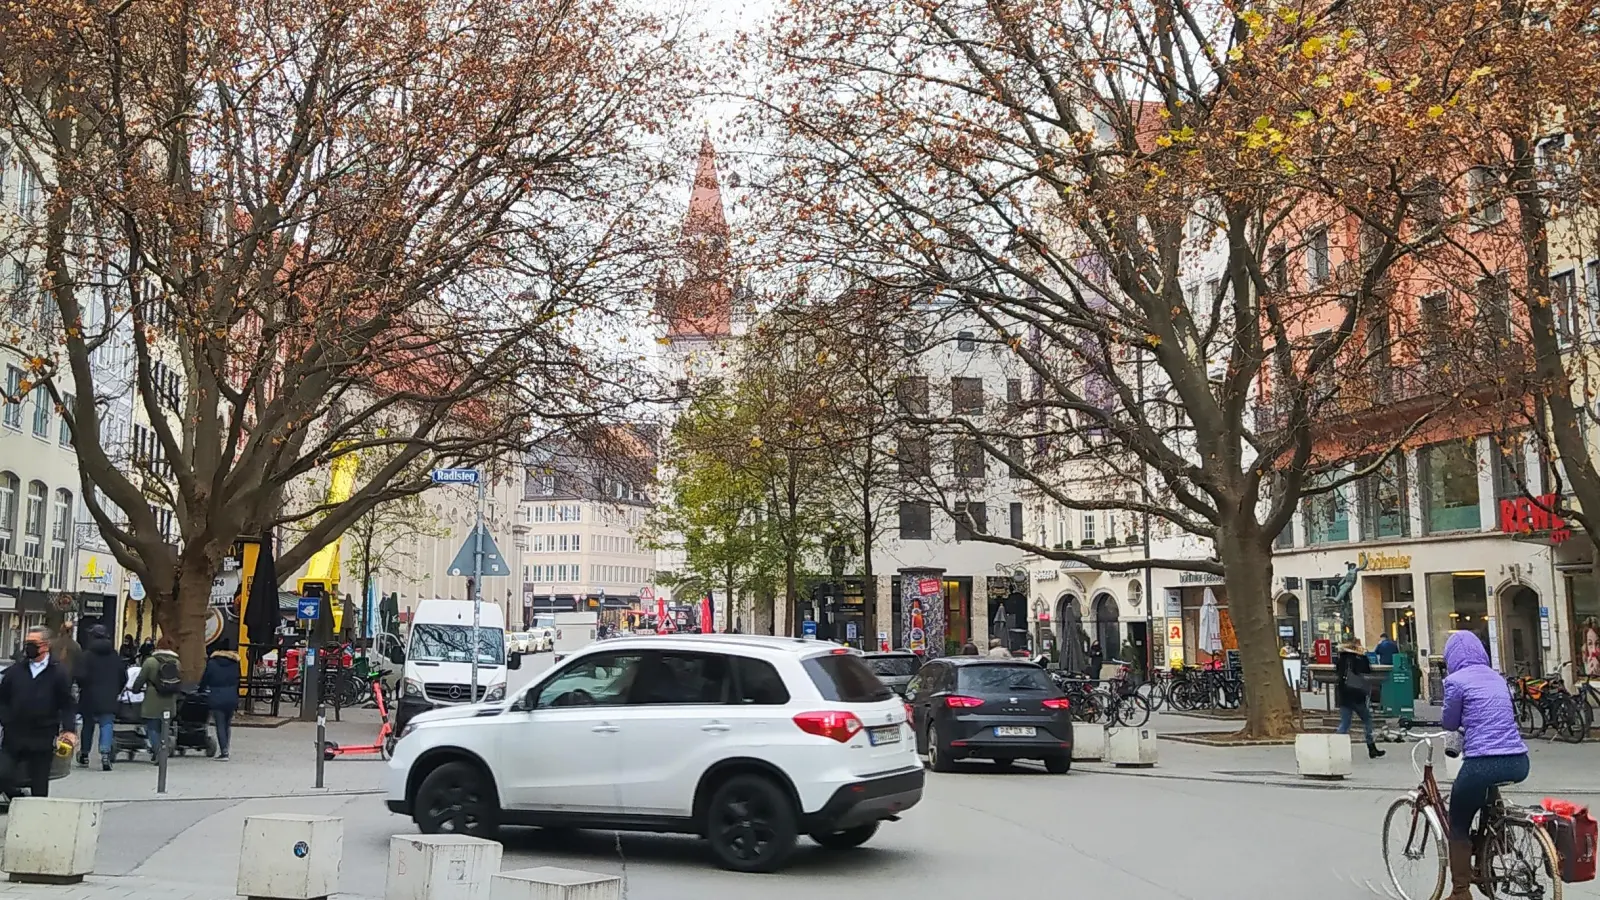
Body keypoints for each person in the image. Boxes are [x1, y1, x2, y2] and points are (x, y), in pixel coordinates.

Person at [1442, 630, 1528, 900]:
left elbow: (1449, 722)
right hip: (1518, 762)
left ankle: (1460, 892)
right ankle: (1498, 836)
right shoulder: (1497, 678)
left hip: (1482, 762)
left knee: (1458, 823)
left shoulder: (1455, 681)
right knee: (1486, 793)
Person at [0, 627, 78, 798]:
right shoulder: (16, 671)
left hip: (42, 736)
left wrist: (69, 730)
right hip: (14, 734)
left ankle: (38, 818)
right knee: (3, 773)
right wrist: (5, 718)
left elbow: (67, 704)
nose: (29, 647)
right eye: (27, 643)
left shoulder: (58, 672)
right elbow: (3, 698)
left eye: (33, 643)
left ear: (45, 646)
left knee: (39, 783)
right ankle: (16, 796)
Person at [74, 625, 127, 771]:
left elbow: (79, 675)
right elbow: (123, 676)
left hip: (89, 695)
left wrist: (83, 686)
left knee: (88, 725)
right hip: (109, 695)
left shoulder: (86, 655)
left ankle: (84, 753)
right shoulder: (114, 655)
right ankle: (105, 754)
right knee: (107, 724)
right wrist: (115, 690)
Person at [1334, 638, 1385, 759]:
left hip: (1344, 695)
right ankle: (1371, 747)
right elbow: (1367, 669)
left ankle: (1335, 746)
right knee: (1367, 720)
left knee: (1345, 723)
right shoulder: (1358, 658)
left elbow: (1337, 672)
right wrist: (1363, 656)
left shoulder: (1341, 659)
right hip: (1357, 695)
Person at [132, 636, 182, 760]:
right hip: (170, 700)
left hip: (152, 699)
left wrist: (135, 689)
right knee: (164, 728)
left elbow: (140, 679)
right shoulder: (177, 663)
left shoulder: (150, 661)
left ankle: (158, 752)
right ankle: (163, 750)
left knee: (152, 728)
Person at [200, 647, 241, 761]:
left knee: (220, 725)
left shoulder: (212, 663)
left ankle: (224, 752)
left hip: (216, 695)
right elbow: (238, 680)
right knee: (227, 725)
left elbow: (206, 679)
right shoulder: (235, 663)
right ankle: (226, 748)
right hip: (232, 696)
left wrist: (200, 689)